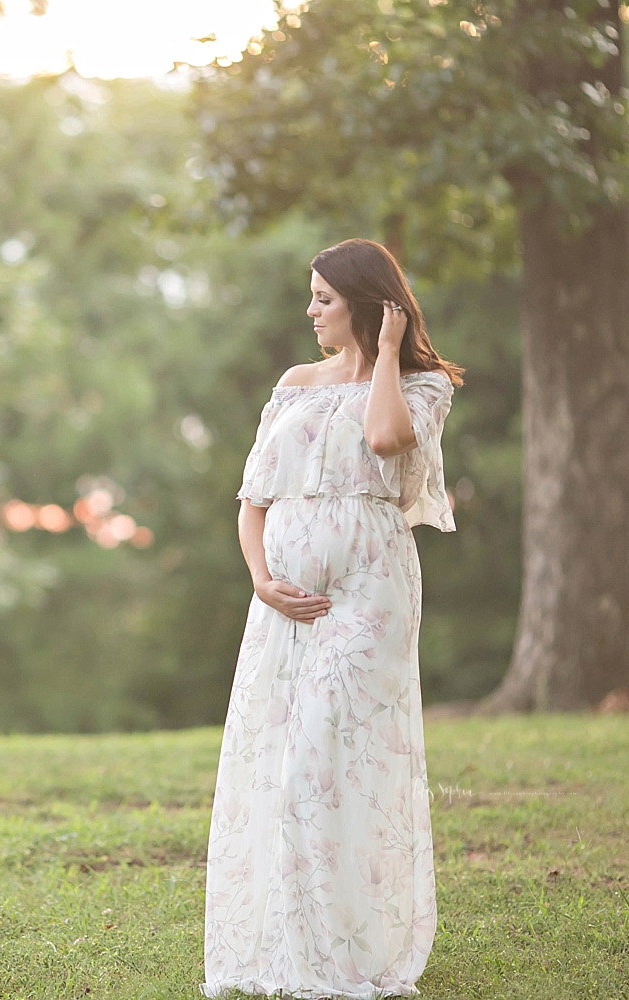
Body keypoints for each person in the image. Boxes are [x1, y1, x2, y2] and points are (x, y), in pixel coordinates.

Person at [202, 238, 462, 999]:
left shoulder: (421, 385)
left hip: (370, 592)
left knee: (327, 760)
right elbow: (252, 501)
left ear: (365, 303)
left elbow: (384, 439)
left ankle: (345, 951)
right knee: (279, 762)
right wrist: (262, 581)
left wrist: (384, 351)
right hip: (283, 604)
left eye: (323, 297)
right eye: (310, 296)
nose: (310, 310)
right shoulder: (294, 383)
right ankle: (282, 945)